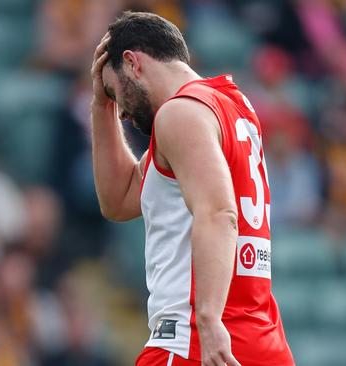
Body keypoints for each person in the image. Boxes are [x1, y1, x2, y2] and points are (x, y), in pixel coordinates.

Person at [89, 11, 294, 366]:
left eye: (114, 91)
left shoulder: (179, 115)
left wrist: (209, 319)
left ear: (133, 63)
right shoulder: (232, 106)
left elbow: (219, 213)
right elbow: (118, 201)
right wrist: (100, 105)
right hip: (262, 339)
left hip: (194, 343)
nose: (120, 111)